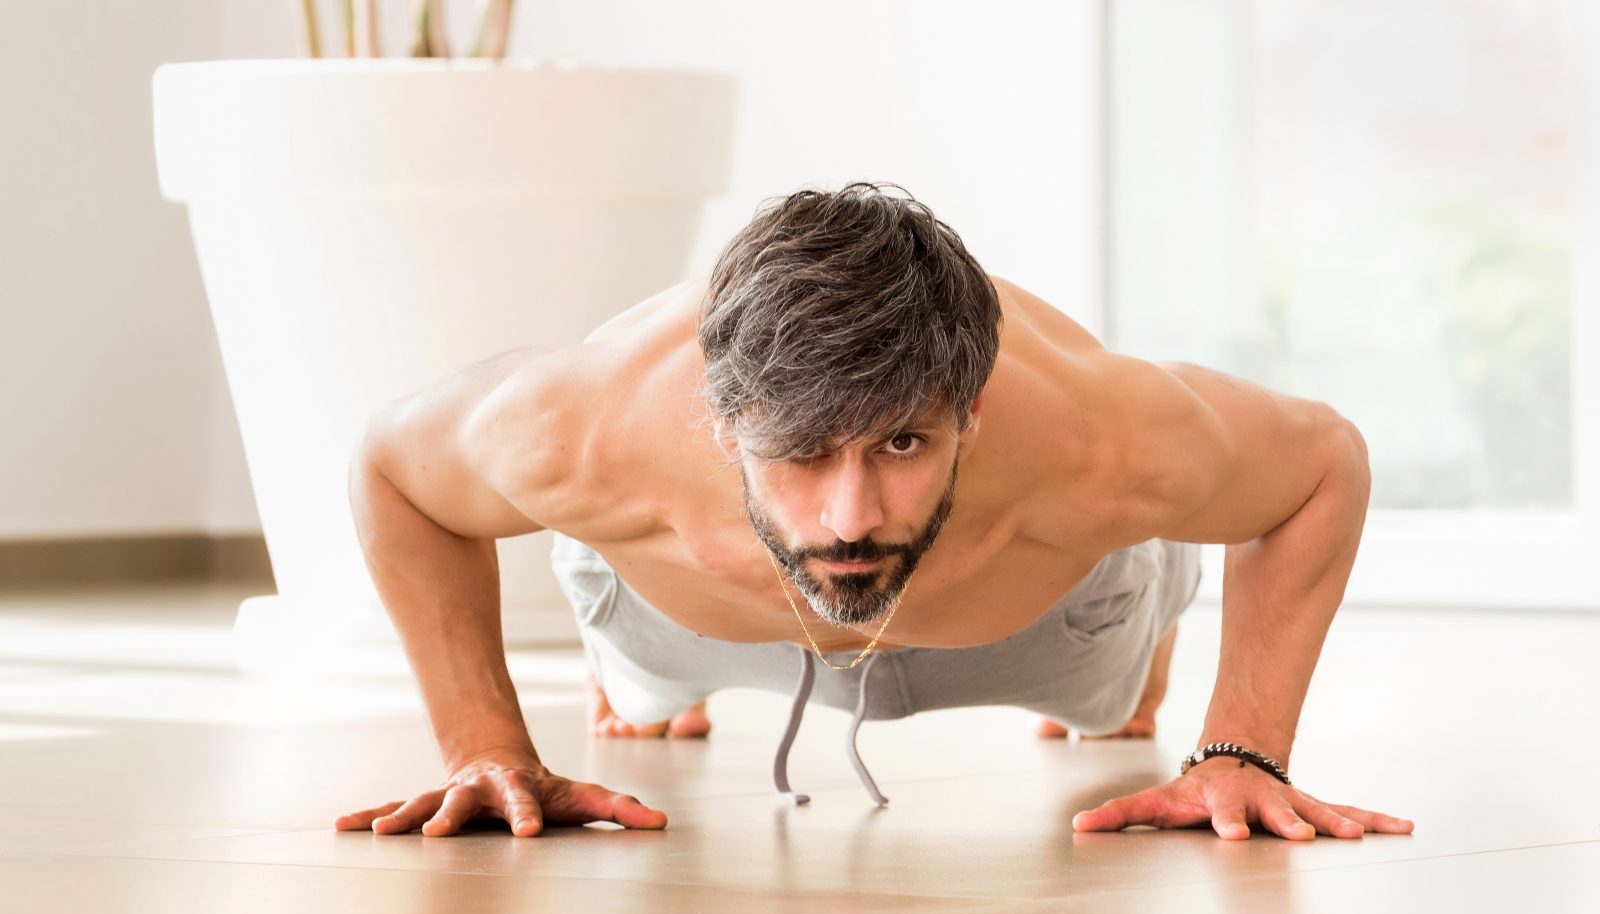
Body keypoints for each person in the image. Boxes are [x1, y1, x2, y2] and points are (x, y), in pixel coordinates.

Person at [335, 182, 1414, 843]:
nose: (850, 515)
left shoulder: (1103, 432)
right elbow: (392, 468)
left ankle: (1141, 655)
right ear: (721, 419)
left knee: (1116, 691)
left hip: (1035, 616)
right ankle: (640, 676)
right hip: (693, 607)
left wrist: (1242, 752)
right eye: (800, 453)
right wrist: (483, 743)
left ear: (973, 410)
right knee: (640, 681)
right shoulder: (576, 425)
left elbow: (1324, 464)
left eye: (902, 441)